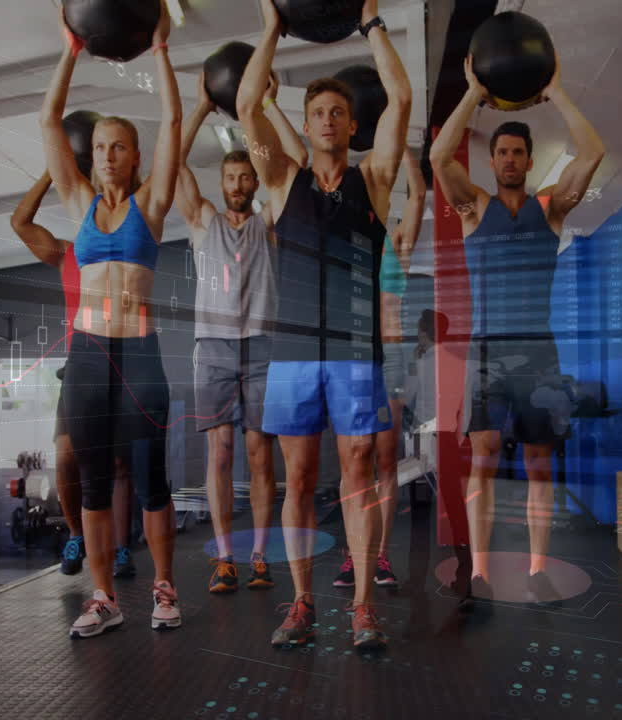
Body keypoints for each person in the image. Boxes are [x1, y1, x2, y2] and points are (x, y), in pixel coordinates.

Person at [236, 0, 411, 649]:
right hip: (294, 353)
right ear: (306, 127)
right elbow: (249, 104)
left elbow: (402, 96)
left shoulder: (377, 180)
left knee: (359, 469)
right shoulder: (282, 182)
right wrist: (271, 28)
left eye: (338, 111)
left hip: (354, 351)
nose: (328, 119)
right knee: (301, 479)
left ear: (350, 123)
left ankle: (363, 605)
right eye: (318, 113)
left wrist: (370, 22)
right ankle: (304, 603)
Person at [429, 53, 605, 606]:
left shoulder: (550, 210)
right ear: (492, 158)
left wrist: (554, 90)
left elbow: (593, 152)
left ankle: (535, 567)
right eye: (501, 151)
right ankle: (478, 570)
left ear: (529, 161)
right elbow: (438, 155)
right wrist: (472, 92)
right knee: (481, 454)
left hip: (537, 352)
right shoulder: (474, 209)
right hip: (487, 351)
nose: (508, 158)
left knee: (537, 463)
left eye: (517, 152)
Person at [40, 0, 182, 637]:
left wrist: (161, 49)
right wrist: (70, 50)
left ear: (133, 156)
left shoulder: (150, 207)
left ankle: (161, 586)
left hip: (141, 352)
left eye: (118, 146)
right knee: (94, 485)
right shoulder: (75, 203)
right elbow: (48, 118)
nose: (105, 155)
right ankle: (103, 597)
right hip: (90, 356)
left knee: (151, 481)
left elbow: (175, 117)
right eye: (98, 146)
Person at [175, 70, 307, 594]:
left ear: (253, 181)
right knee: (220, 452)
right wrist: (204, 108)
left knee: (258, 454)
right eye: (230, 178)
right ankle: (225, 557)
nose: (237, 185)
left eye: (245, 177)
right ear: (221, 183)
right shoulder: (202, 219)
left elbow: (290, 172)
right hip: (211, 348)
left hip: (261, 347)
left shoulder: (268, 222)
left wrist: (266, 107)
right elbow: (173, 164)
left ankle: (258, 555)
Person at [10, 171, 137, 580]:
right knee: (66, 457)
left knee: (118, 465)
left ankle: (119, 548)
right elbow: (20, 222)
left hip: (122, 364)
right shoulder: (68, 252)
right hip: (80, 366)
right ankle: (78, 535)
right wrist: (53, 170)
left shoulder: (129, 252)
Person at [334, 148, 425, 591]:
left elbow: (420, 194)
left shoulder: (397, 242)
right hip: (351, 357)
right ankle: (355, 555)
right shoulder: (348, 241)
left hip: (390, 357)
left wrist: (402, 153)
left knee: (386, 461)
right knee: (354, 463)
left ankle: (381, 556)